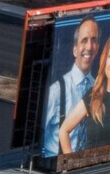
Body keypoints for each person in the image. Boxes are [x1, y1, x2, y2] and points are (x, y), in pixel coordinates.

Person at [40, 18, 101, 157]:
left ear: (97, 48)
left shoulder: (99, 88)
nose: (89, 46)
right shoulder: (57, 91)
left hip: (85, 165)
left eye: (94, 40)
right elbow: (39, 134)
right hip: (55, 167)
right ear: (75, 49)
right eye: (84, 40)